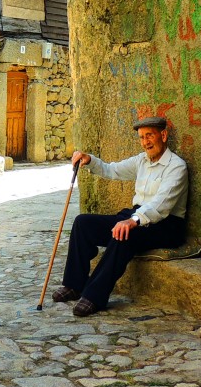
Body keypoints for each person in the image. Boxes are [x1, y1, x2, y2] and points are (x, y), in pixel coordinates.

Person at [51, 116, 188, 317]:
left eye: (150, 135)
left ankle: (94, 296)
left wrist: (133, 221)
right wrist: (90, 161)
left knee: (123, 235)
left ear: (163, 135)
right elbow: (112, 170)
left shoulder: (177, 167)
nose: (146, 142)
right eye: (142, 137)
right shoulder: (141, 160)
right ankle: (74, 285)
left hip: (165, 224)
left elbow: (161, 205)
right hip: (137, 215)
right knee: (83, 223)